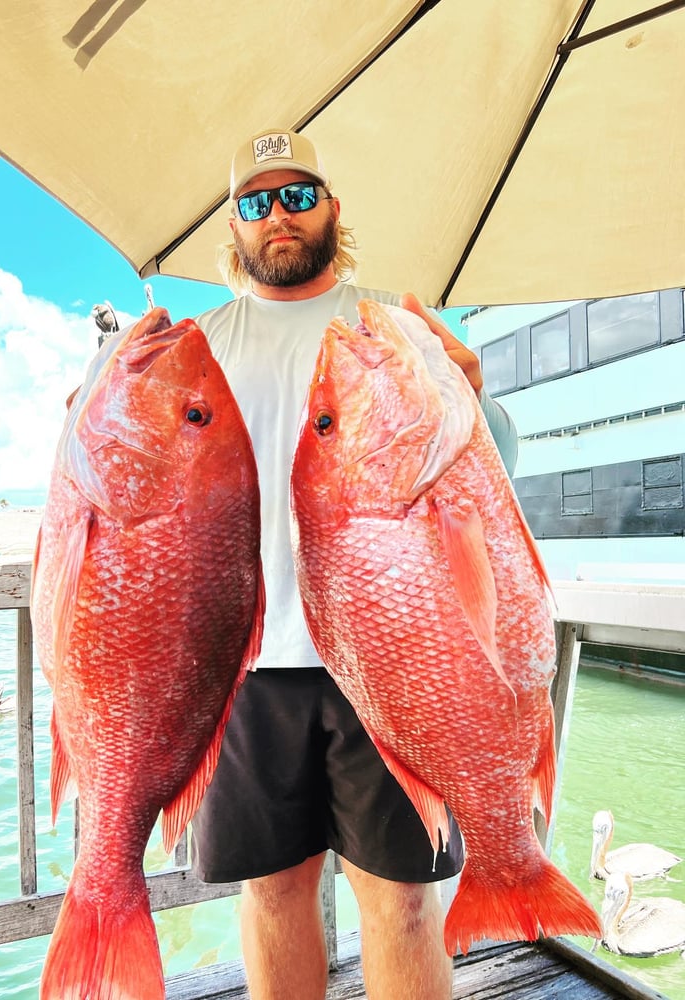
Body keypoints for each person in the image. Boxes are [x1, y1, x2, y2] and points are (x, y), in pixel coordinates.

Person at [189, 129, 518, 1000]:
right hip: (244, 668)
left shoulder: (396, 329)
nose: (279, 215)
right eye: (258, 202)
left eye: (298, 194)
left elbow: (494, 478)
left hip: (396, 655)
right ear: (236, 225)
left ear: (333, 206)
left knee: (404, 899)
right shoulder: (197, 347)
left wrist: (479, 401)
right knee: (270, 890)